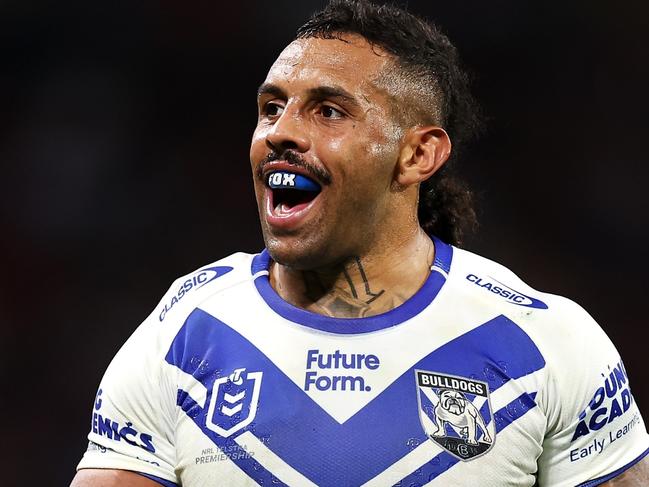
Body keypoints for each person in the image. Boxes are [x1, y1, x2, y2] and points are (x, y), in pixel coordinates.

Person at [71, 1, 649, 485]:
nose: (280, 132)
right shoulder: (186, 331)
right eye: (272, 107)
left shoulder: (546, 345)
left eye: (327, 111)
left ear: (418, 154)